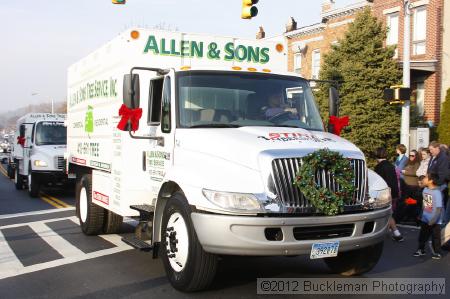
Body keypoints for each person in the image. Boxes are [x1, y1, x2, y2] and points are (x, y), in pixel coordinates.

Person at [374, 147, 404, 242]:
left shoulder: (379, 167)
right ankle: (392, 232)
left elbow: (378, 183)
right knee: (389, 213)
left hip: (384, 194)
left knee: (387, 214)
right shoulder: (391, 165)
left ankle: (397, 233)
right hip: (393, 193)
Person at [413, 172, 443, 259]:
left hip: (435, 220)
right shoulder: (425, 190)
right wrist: (422, 214)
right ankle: (421, 249)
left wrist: (433, 220)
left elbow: (438, 208)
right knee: (423, 235)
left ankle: (437, 252)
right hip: (426, 218)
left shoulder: (437, 192)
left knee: (435, 237)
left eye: (426, 177)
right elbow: (425, 203)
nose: (423, 179)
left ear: (431, 181)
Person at [428, 141, 450, 225]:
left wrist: (435, 183)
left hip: (438, 185)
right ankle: (430, 220)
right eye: (430, 149)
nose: (430, 151)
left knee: (439, 205)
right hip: (431, 184)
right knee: (431, 205)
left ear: (437, 148)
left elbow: (442, 174)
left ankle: (441, 223)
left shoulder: (443, 158)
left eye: (431, 149)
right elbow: (430, 170)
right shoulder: (435, 157)